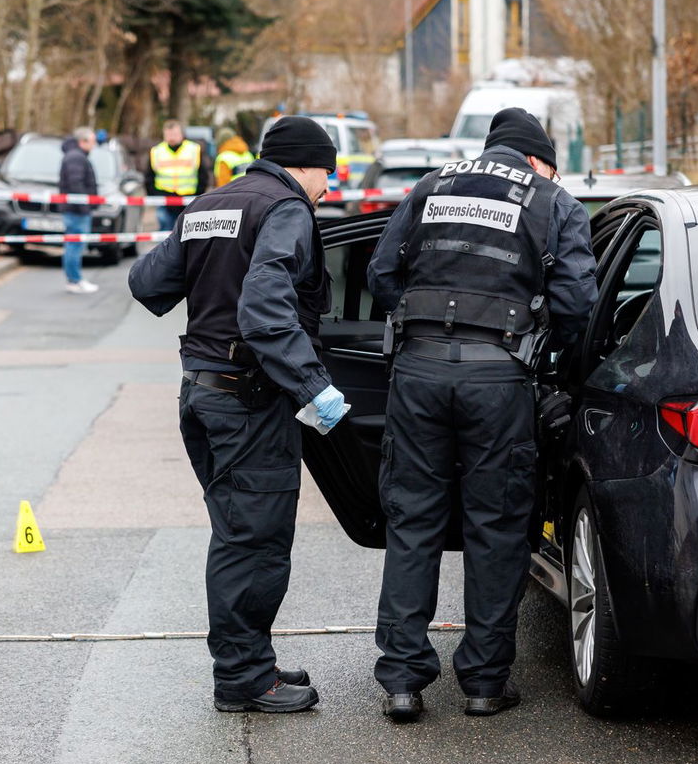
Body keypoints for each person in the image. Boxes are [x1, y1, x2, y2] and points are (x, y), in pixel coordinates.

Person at [367, 107, 597, 723]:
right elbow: (578, 302)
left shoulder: (432, 186)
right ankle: (485, 683)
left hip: (417, 374)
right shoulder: (552, 200)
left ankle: (403, 681)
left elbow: (381, 273)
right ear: (538, 160)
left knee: (413, 521)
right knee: (495, 526)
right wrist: (547, 354)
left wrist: (418, 329)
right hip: (499, 380)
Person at [129, 115, 348, 714]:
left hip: (200, 393)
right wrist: (313, 387)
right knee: (255, 541)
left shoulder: (210, 203)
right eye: (327, 173)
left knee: (236, 532)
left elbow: (147, 282)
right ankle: (244, 679)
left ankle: (249, 659)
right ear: (305, 165)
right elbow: (264, 306)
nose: (328, 186)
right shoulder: (286, 208)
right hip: (249, 399)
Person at [59, 127, 99, 294]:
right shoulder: (76, 157)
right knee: (75, 245)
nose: (94, 145)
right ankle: (74, 280)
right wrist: (85, 207)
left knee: (73, 244)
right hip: (76, 211)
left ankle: (74, 279)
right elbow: (76, 184)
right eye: (92, 141)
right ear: (83, 141)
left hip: (75, 209)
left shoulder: (75, 155)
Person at [149, 119, 203, 233]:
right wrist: (157, 195)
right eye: (168, 134)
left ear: (181, 134)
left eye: (174, 134)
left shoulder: (193, 149)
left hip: (188, 199)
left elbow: (203, 174)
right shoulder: (157, 151)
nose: (171, 137)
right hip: (165, 200)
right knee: (165, 234)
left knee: (188, 234)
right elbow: (149, 176)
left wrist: (198, 194)